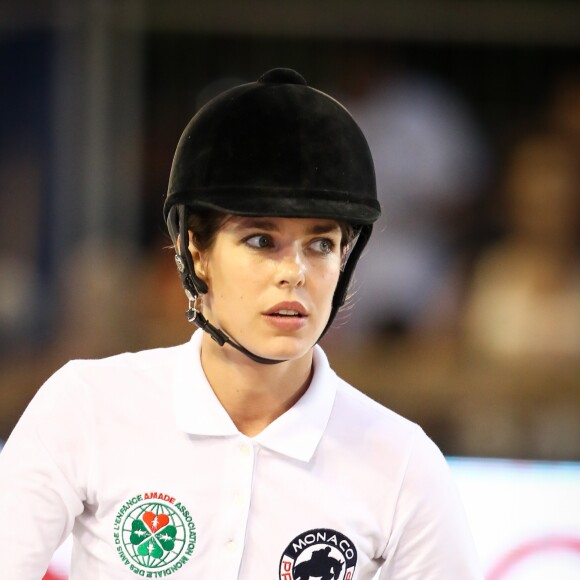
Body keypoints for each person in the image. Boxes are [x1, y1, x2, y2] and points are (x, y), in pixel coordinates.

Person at [0, 68, 482, 579]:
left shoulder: (405, 463)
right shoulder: (87, 405)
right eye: (260, 241)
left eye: (320, 244)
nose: (294, 273)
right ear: (195, 254)